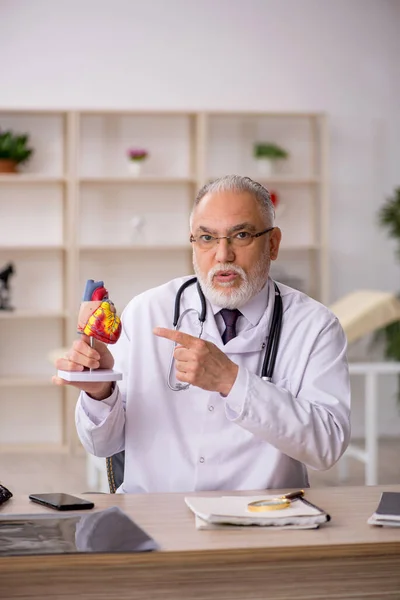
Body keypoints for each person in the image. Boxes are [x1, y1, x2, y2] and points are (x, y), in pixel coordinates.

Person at [53, 175, 350, 493]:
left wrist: (232, 381)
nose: (223, 255)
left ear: (273, 243)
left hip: (264, 521)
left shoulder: (315, 326)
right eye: (207, 238)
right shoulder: (146, 312)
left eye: (241, 235)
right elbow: (102, 445)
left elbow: (327, 447)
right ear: (193, 244)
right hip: (155, 519)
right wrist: (101, 392)